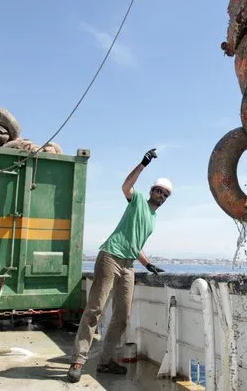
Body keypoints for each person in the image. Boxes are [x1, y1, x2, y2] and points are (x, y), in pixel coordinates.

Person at [68, 148, 171, 383]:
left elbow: (136, 244)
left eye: (165, 195)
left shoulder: (153, 219)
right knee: (95, 308)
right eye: (158, 191)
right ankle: (78, 360)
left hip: (128, 265)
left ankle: (105, 362)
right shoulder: (137, 202)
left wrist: (149, 264)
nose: (161, 196)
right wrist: (143, 163)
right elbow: (126, 186)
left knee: (122, 316)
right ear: (151, 191)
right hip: (110, 257)